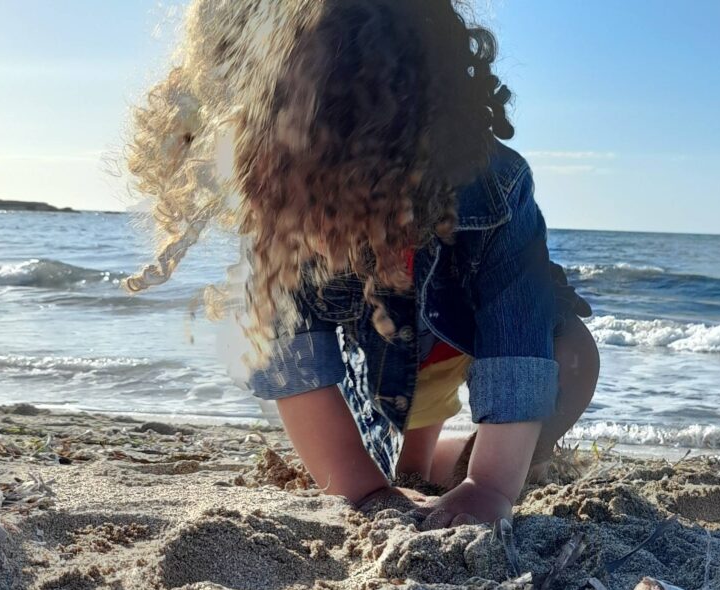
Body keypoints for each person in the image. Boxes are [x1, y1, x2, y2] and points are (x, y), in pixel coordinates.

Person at [127, 0, 598, 528]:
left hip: (462, 339)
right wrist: (370, 494)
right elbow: (293, 363)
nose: (362, 202)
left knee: (573, 354)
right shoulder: (281, 203)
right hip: (376, 362)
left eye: (381, 174)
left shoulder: (494, 186)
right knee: (391, 474)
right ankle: (418, 469)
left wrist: (488, 487)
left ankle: (479, 461)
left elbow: (518, 340)